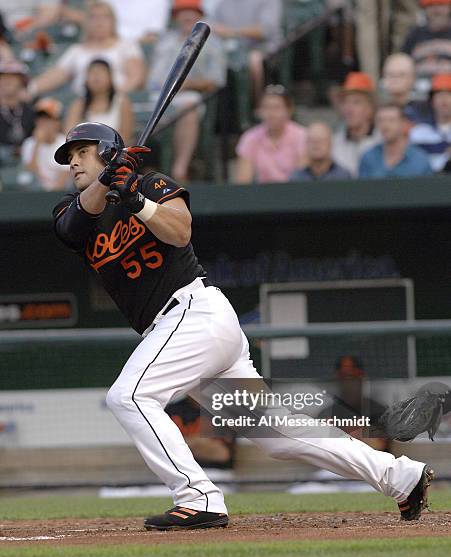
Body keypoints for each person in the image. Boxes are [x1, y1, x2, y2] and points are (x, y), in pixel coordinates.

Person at [52, 120, 434, 530]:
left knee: (127, 397)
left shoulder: (149, 185)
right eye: (70, 157)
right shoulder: (72, 211)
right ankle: (402, 477)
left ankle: (197, 496)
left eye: (83, 153)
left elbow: (180, 232)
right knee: (280, 436)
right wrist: (109, 182)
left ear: (109, 151)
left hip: (194, 313)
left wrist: (136, 200)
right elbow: (71, 226)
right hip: (179, 331)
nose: (74, 162)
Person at [148, 0, 226, 182]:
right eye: (182, 12)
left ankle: (179, 169)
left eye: (192, 12)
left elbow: (216, 80)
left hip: (191, 95)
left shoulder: (212, 43)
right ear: (176, 17)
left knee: (189, 105)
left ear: (200, 16)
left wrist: (187, 84)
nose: (187, 16)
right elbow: (153, 79)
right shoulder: (165, 41)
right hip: (159, 95)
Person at [27, 1, 146, 98]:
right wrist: (29, 89)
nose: (99, 22)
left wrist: (109, 97)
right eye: (94, 17)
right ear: (86, 22)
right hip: (83, 105)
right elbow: (56, 76)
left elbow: (136, 78)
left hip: (115, 102)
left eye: (104, 17)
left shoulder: (126, 45)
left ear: (113, 21)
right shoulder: (77, 50)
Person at [211, 0, 282, 103]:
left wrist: (233, 31)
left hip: (263, 47)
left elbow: (266, 30)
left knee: (254, 60)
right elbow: (216, 29)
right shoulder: (222, 4)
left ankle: (257, 105)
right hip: (231, 49)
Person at [235, 85, 307, 184]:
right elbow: (243, 181)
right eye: (266, 107)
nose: (271, 113)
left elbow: (302, 177)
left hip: (294, 193)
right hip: (261, 194)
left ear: (289, 110)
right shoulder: (250, 137)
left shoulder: (302, 135)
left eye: (276, 108)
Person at [64, 59, 134, 144]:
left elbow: (125, 136)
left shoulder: (122, 102)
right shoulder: (78, 104)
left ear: (111, 78)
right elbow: (70, 134)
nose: (96, 76)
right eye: (92, 72)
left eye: (101, 72)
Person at [359, 103, 433, 178]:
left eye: (391, 120)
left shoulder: (419, 159)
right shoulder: (369, 157)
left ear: (403, 123)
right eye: (380, 120)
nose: (385, 125)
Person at [333, 72, 380, 176]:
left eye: (356, 102)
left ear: (370, 108)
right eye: (345, 102)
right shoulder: (334, 143)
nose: (349, 109)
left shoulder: (382, 140)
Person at [402, 0, 451, 90]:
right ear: (424, 9)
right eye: (431, 5)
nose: (436, 10)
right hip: (419, 90)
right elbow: (402, 62)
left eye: (441, 5)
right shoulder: (414, 34)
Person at [21, 97, 69, 190]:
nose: (42, 123)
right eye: (40, 119)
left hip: (60, 194)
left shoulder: (65, 143)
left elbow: (62, 182)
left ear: (57, 122)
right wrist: (37, 144)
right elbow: (30, 175)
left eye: (48, 119)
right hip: (36, 193)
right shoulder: (29, 143)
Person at [410, 73, 451, 171]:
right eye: (439, 95)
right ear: (431, 101)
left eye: (448, 94)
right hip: (426, 183)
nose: (444, 100)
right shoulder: (418, 132)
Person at [0, 61, 35, 164]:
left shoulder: (33, 112)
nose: (7, 81)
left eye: (13, 77)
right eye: (3, 77)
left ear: (22, 82)